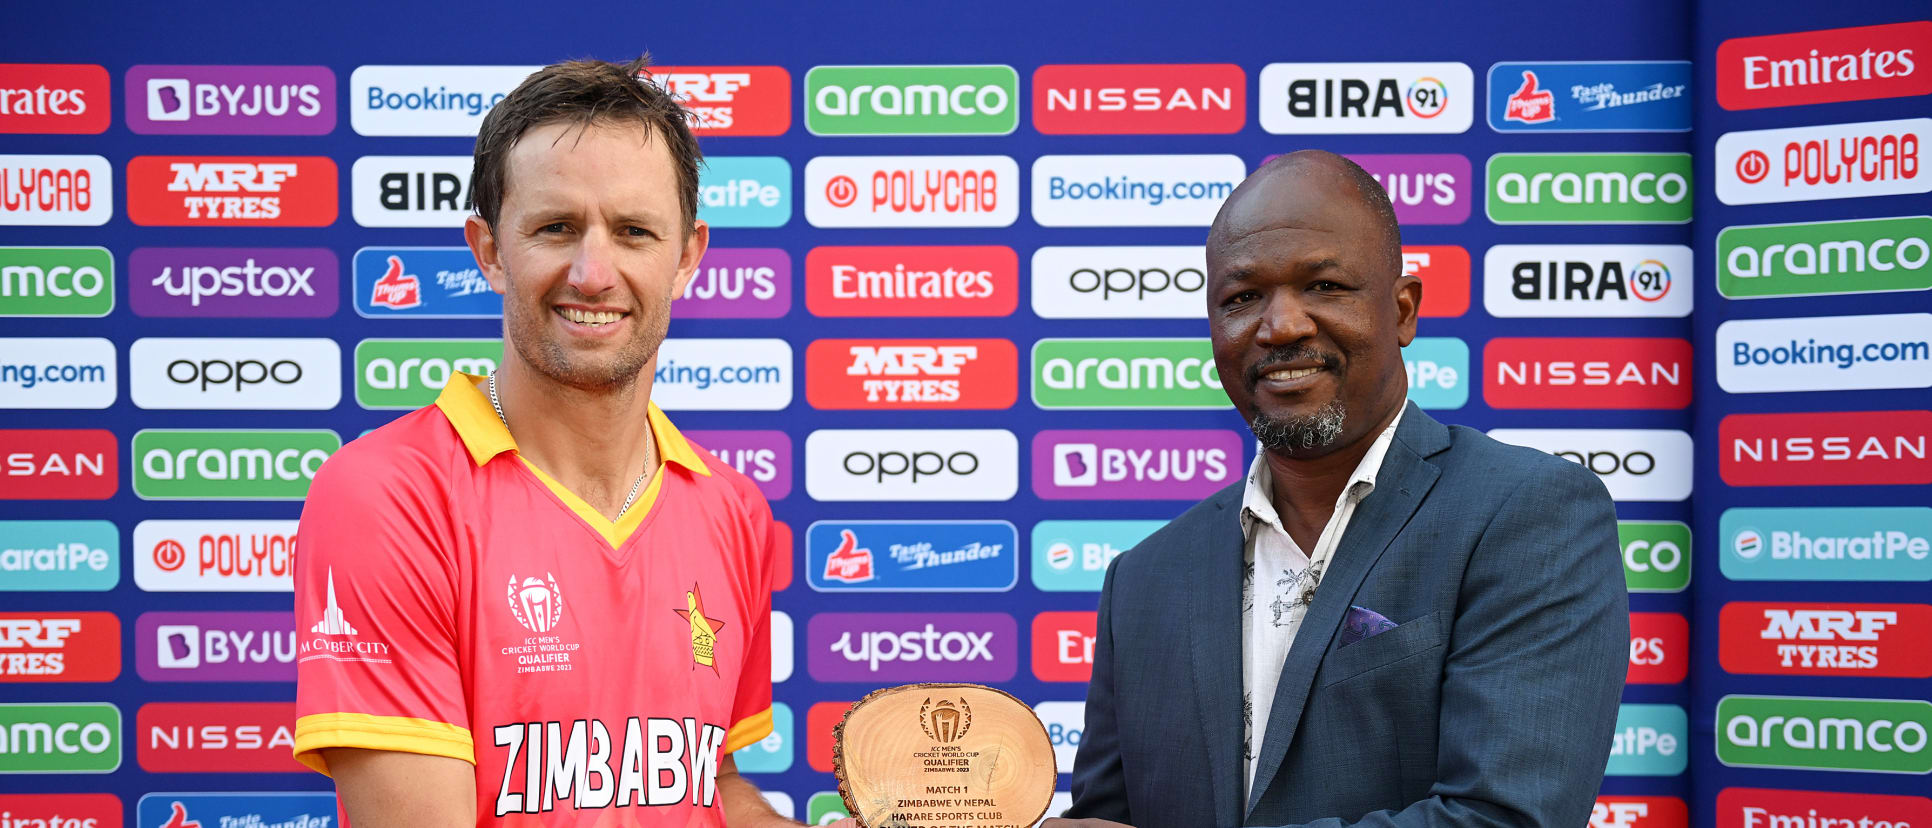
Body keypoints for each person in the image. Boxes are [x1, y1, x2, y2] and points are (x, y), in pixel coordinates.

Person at [292, 57, 816, 828]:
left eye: (634, 231)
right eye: (556, 228)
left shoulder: (730, 508)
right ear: (490, 251)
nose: (593, 272)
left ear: (688, 257)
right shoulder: (389, 496)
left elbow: (705, 787)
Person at [1048, 151, 1628, 828]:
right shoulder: (1144, 580)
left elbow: (1507, 818)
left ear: (1404, 311)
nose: (1282, 326)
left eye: (1324, 286)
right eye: (1242, 298)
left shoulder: (1528, 514)